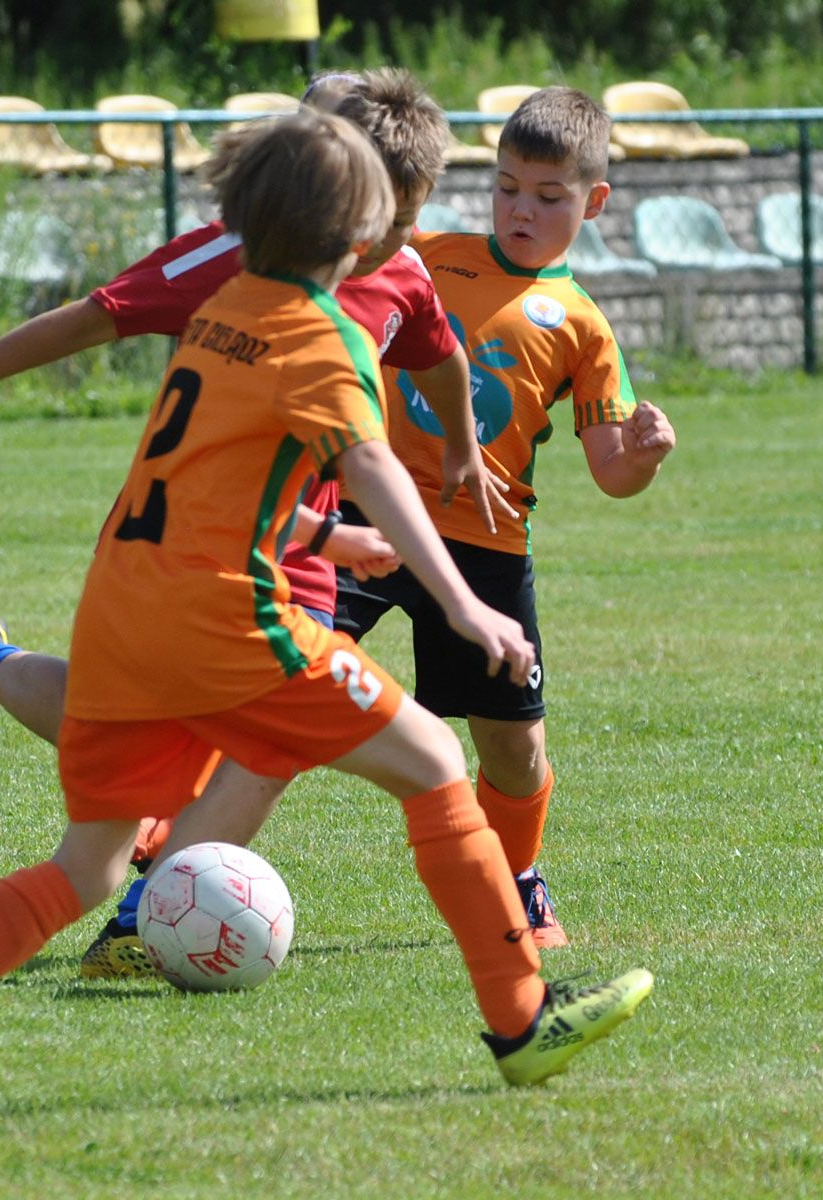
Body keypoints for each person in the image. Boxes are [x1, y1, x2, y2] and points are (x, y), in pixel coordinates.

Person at [0, 109, 653, 1106]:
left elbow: (215, 474)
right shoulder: (325, 336)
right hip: (225, 618)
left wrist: (328, 541)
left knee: (86, 867)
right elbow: (372, 465)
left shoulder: (224, 312)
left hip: (122, 608)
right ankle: (520, 1021)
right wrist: (466, 607)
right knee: (431, 760)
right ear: (362, 229)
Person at [0, 70, 517, 978]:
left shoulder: (399, 269)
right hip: (188, 541)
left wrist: (459, 450)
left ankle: (3, 704)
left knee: (230, 735)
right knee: (204, 726)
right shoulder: (224, 259)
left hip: (300, 545)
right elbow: (92, 320)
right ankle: (132, 899)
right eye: (395, 216)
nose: (401, 236)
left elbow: (437, 349)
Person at [328, 85, 678, 950]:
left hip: (485, 545)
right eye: (508, 187)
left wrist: (642, 455)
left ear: (593, 203)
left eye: (549, 197)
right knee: (267, 672)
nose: (523, 209)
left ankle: (518, 882)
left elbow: (610, 475)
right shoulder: (428, 255)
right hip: (367, 518)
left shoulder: (586, 328)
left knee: (514, 749)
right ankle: (165, 842)